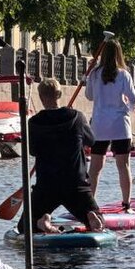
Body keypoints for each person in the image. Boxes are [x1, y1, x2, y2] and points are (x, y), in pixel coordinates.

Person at [25, 78, 105, 232]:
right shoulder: (77, 117)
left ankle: (41, 222)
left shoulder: (33, 122)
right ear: (59, 94)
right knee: (100, 223)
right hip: (76, 185)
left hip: (47, 185)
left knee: (24, 226)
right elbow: (91, 140)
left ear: (40, 97)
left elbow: (32, 151)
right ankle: (91, 216)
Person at [85, 38, 135, 207]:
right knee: (124, 166)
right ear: (119, 54)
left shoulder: (94, 73)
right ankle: (126, 203)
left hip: (99, 125)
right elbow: (133, 98)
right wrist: (128, 108)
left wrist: (88, 78)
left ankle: (90, 205)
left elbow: (89, 96)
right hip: (120, 125)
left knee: (95, 168)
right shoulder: (124, 74)